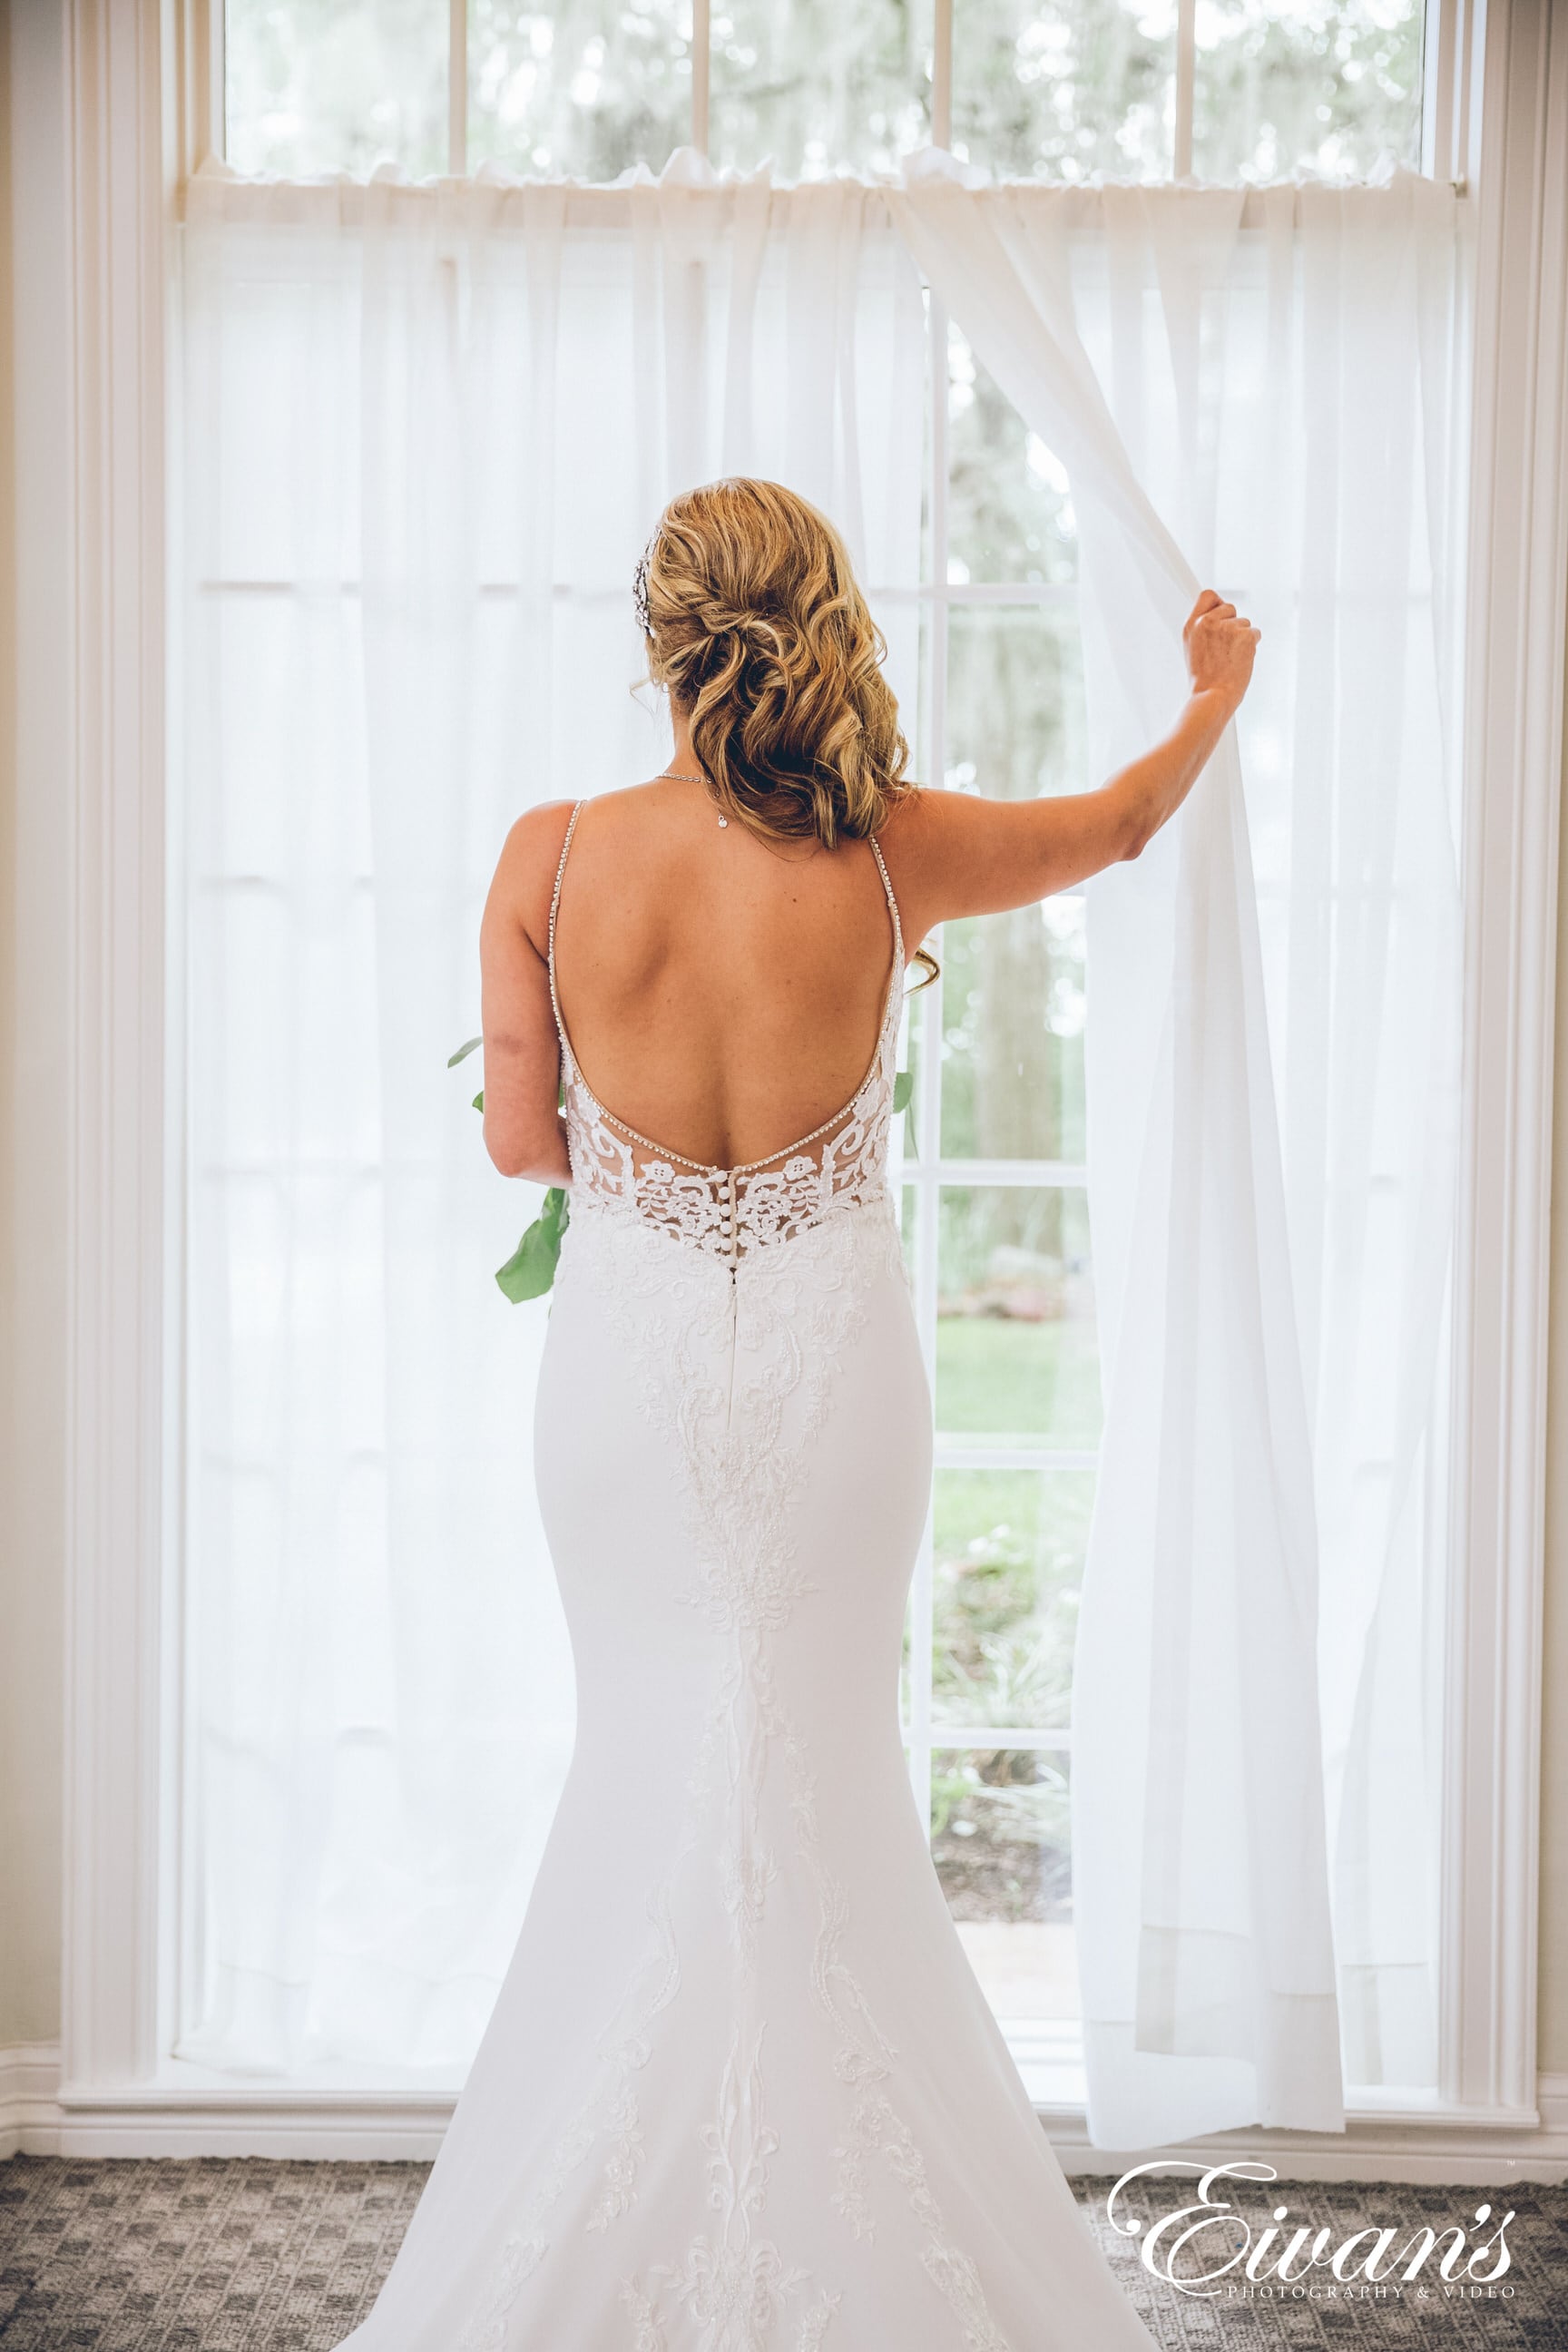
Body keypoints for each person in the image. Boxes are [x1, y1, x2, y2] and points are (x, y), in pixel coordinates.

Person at [336, 477, 1258, 2351]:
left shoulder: (553, 854)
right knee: (821, 1774)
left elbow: (525, 1142)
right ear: (814, 621)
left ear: (659, 636)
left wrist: (618, 1108)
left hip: (631, 1381)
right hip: (836, 1381)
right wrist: (1212, 694)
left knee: (650, 1757)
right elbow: (1127, 823)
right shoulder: (890, 849)